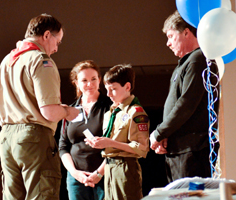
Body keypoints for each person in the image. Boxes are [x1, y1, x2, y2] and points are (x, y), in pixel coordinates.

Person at [0, 14, 79, 200]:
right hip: (33, 138)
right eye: (58, 41)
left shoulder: (7, 61)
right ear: (47, 35)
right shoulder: (41, 61)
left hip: (6, 139)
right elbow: (49, 111)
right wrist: (67, 111)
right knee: (42, 194)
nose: (56, 48)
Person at [150, 10, 220, 183]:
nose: (168, 43)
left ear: (186, 33)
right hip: (179, 150)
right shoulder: (186, 63)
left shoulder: (198, 60)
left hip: (192, 151)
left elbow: (186, 104)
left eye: (171, 36)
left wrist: (159, 132)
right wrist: (166, 134)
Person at [85, 64, 149, 200]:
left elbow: (142, 148)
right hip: (109, 168)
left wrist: (110, 142)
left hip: (125, 168)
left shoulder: (135, 112)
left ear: (127, 87)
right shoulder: (110, 113)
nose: (108, 94)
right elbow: (110, 151)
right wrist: (99, 172)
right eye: (107, 90)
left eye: (113, 89)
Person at [58, 60, 112, 200]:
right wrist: (75, 173)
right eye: (84, 80)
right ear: (76, 83)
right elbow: (63, 147)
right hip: (76, 178)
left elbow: (117, 144)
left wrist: (99, 173)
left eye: (94, 79)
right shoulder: (70, 110)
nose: (90, 84)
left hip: (104, 174)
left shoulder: (110, 107)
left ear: (100, 80)